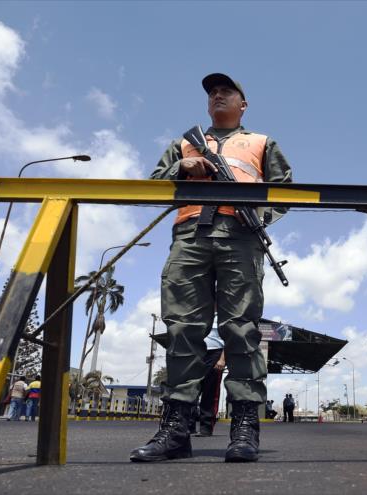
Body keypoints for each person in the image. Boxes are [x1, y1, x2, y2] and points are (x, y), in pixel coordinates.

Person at [130, 73, 292, 464]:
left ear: (243, 104)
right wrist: (183, 167)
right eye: (212, 93)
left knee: (241, 330)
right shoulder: (184, 143)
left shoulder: (261, 142)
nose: (217, 96)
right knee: (183, 330)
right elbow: (154, 186)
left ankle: (244, 429)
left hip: (240, 238)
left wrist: (256, 218)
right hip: (190, 238)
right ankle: (175, 431)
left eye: (226, 91)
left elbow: (284, 189)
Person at [190, 321, 226, 437]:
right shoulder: (202, 313)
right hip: (198, 352)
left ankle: (206, 426)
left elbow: (229, 339)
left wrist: (222, 359)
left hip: (216, 353)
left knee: (210, 391)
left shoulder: (224, 316)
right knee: (191, 389)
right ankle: (189, 425)